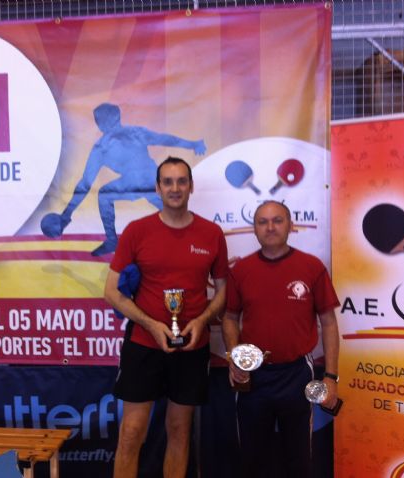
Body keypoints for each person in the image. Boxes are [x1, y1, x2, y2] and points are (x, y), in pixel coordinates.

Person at [104, 156, 228, 478]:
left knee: (179, 430)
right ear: (158, 188)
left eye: (181, 181)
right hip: (144, 343)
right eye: (168, 182)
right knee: (131, 433)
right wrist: (151, 324)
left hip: (192, 347)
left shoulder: (212, 233)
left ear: (191, 186)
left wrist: (201, 321)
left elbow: (223, 292)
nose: (175, 188)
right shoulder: (137, 231)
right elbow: (112, 292)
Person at [221, 200, 340, 477]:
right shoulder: (241, 270)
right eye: (262, 222)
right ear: (254, 229)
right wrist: (235, 358)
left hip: (297, 375)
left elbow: (329, 323)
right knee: (252, 460)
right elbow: (229, 318)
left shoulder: (311, 267)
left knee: (299, 460)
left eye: (277, 220)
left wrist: (331, 377)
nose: (270, 227)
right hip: (254, 378)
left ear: (290, 225)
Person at [42, 103, 206, 256]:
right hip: (135, 183)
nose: (102, 124)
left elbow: (164, 139)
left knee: (177, 216)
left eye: (102, 120)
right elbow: (85, 183)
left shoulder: (122, 139)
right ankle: (112, 241)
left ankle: (191, 240)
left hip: (152, 181)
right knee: (105, 195)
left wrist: (193, 144)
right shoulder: (104, 147)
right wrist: (66, 215)